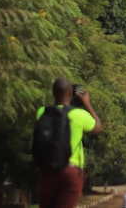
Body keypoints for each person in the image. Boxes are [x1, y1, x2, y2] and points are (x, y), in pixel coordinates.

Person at [35, 77, 103, 208]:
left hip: (46, 170)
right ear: (70, 94)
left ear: (53, 93)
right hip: (70, 171)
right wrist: (87, 103)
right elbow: (98, 128)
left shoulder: (42, 112)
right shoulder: (78, 114)